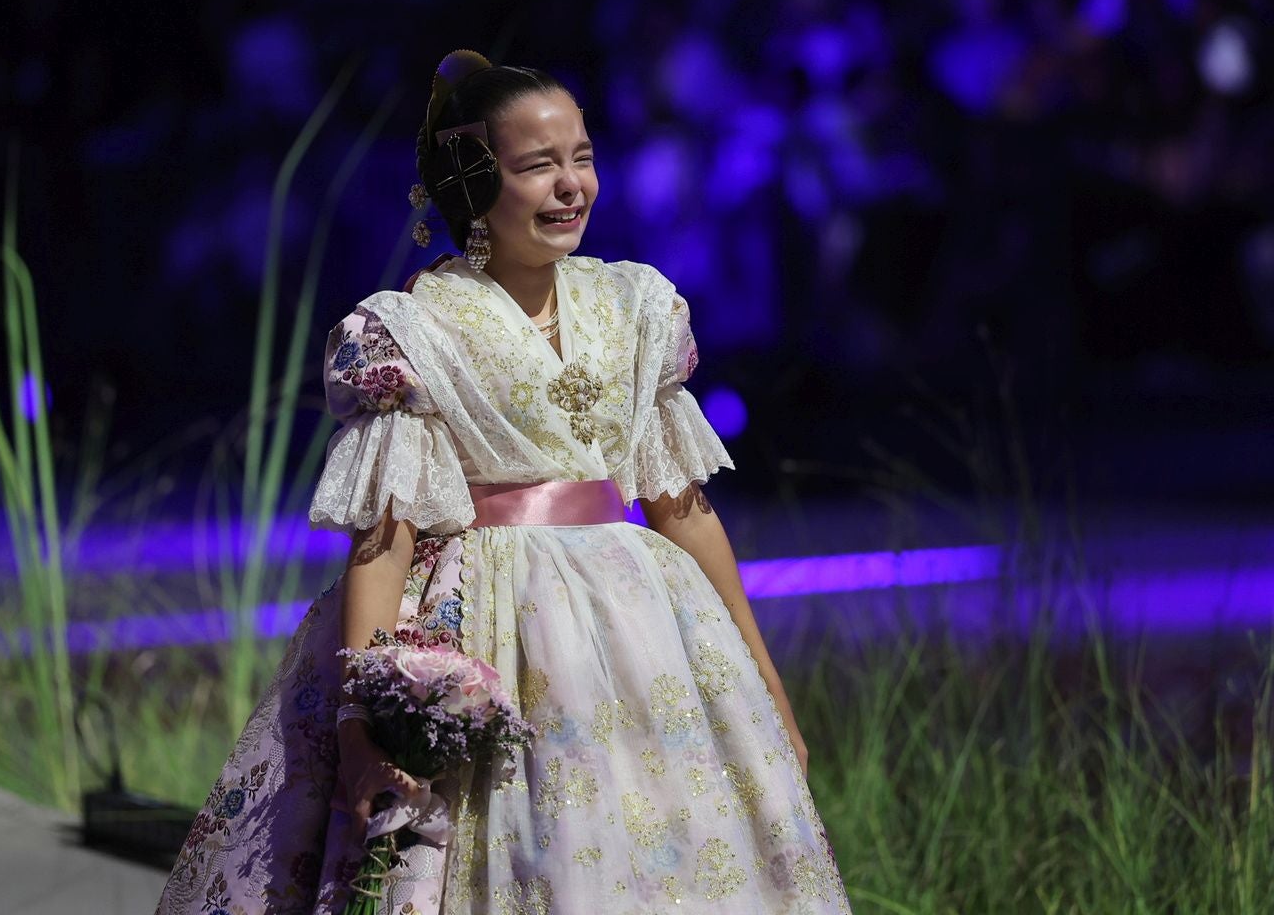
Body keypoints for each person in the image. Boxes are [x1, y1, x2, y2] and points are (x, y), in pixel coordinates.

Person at [155, 51, 852, 914]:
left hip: (640, 636)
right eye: (538, 166)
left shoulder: (638, 308)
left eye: (583, 158)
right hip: (486, 627)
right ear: (474, 180)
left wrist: (764, 684)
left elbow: (685, 510)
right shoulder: (412, 330)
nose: (570, 187)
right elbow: (386, 536)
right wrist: (361, 722)